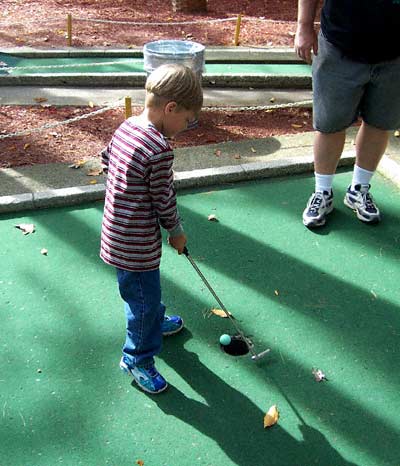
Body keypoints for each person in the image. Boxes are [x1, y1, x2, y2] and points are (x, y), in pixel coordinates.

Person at [100, 64, 203, 394]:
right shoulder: (159, 148)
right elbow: (163, 198)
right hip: (136, 242)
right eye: (186, 120)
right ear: (171, 108)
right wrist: (176, 231)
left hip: (115, 231)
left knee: (143, 292)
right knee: (142, 301)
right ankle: (137, 358)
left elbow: (106, 160)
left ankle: (153, 323)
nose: (185, 127)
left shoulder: (127, 125)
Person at [295, 0, 400, 228]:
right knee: (329, 124)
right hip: (339, 44)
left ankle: (358, 190)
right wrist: (303, 27)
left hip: (394, 54)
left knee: (380, 123)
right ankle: (323, 193)